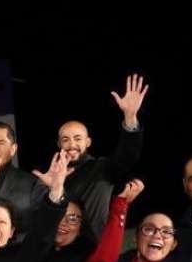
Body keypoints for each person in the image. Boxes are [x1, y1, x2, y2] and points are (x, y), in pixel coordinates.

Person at [57, 74, 147, 237]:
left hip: (92, 249)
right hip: (55, 250)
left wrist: (130, 117)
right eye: (65, 139)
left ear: (88, 142)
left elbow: (127, 157)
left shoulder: (101, 168)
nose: (72, 145)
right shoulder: (50, 174)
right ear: (59, 145)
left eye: (78, 139)